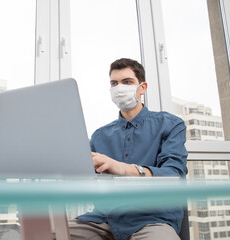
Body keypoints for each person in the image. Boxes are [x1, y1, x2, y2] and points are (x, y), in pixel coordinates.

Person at [68, 58, 188, 240]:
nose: (119, 88)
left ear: (142, 88)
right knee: (42, 233)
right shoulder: (100, 135)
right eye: (114, 83)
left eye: (127, 82)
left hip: (151, 221)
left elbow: (174, 175)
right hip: (103, 220)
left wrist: (122, 168)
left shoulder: (170, 124)